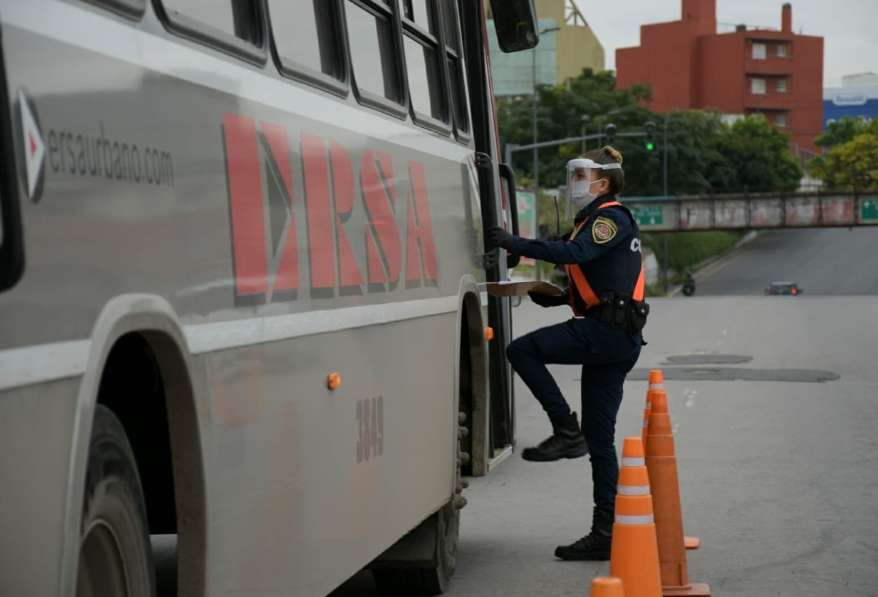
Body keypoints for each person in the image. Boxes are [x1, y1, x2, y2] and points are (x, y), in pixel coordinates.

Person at [486, 146, 648, 561]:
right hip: (616, 334)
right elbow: (607, 279)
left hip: (607, 333)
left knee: (521, 350)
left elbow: (577, 254)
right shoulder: (590, 222)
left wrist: (513, 241)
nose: (573, 183)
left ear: (603, 183)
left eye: (580, 176)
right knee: (601, 441)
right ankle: (606, 532)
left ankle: (565, 429)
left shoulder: (610, 217)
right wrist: (559, 298)